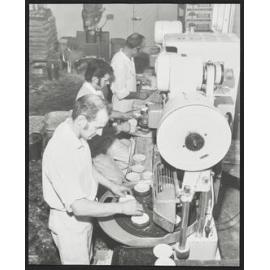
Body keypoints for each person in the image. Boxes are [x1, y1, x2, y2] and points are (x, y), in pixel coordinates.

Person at [42, 94, 143, 265]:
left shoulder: (75, 131)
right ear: (81, 120)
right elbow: (79, 207)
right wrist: (122, 208)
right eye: (97, 127)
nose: (100, 133)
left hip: (85, 213)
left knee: (87, 257)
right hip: (70, 225)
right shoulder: (61, 152)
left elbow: (86, 167)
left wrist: (112, 185)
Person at [76, 59, 135, 184]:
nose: (108, 83)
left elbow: (105, 113)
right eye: (106, 80)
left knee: (131, 158)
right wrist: (120, 128)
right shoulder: (86, 97)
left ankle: (116, 168)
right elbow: (95, 133)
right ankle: (105, 178)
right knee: (118, 179)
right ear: (95, 78)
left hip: (104, 138)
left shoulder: (96, 90)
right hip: (94, 147)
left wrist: (124, 115)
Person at [110, 33, 150, 113]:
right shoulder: (119, 62)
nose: (142, 51)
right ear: (135, 49)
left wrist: (137, 78)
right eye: (141, 49)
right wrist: (139, 95)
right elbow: (121, 93)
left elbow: (126, 75)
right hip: (122, 109)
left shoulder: (129, 57)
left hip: (129, 104)